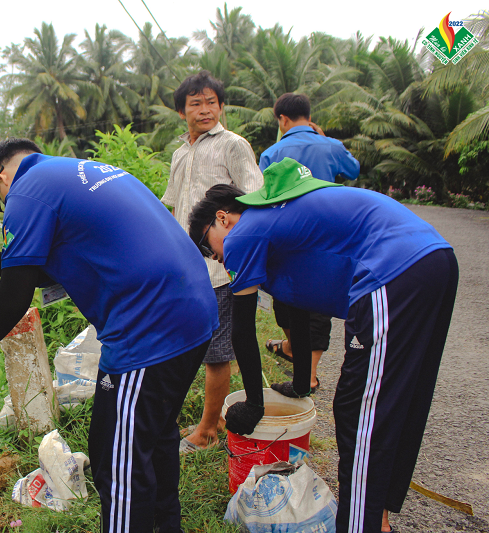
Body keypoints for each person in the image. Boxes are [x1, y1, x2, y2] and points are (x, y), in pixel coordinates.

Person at [0, 138, 218, 533]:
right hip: (192, 308)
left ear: (0, 178)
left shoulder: (25, 188)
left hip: (148, 328)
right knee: (154, 436)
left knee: (116, 459)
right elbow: (46, 267)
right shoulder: (75, 173)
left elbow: (16, 294)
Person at [188, 158, 458, 533]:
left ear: (222, 218)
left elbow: (242, 329)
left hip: (393, 268)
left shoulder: (245, 233)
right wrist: (300, 384)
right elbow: (295, 308)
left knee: (358, 410)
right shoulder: (278, 225)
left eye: (206, 244)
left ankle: (360, 522)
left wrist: (254, 403)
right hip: (432, 258)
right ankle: (376, 515)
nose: (214, 256)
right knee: (397, 398)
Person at [161, 70, 263, 453]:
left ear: (221, 106)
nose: (205, 110)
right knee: (194, 340)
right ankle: (215, 416)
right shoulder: (179, 153)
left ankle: (206, 431)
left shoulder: (234, 145)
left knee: (217, 350)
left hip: (221, 265)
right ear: (181, 110)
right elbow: (175, 207)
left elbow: (254, 200)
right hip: (188, 266)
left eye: (211, 102)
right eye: (195, 103)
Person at [258, 92, 361, 393]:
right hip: (329, 235)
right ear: (308, 116)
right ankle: (300, 357)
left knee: (286, 296)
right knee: (319, 302)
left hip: (287, 236)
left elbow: (265, 195)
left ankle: (308, 376)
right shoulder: (332, 147)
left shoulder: (272, 153)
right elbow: (353, 171)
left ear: (282, 119)